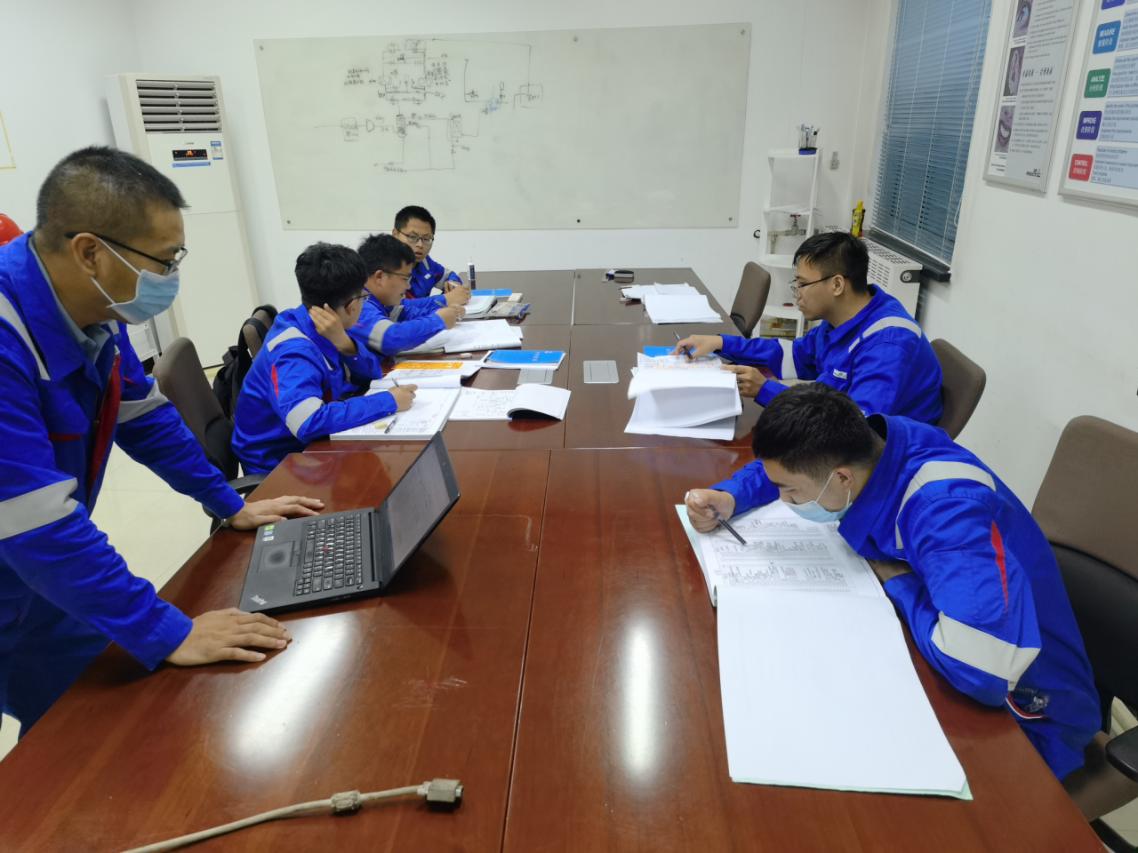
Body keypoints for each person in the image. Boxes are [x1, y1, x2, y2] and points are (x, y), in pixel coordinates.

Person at [0, 146, 323, 734]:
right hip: (26, 548)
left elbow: (142, 416)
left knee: (87, 728)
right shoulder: (7, 333)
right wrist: (164, 630)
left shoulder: (93, 308)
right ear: (91, 252)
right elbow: (34, 518)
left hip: (35, 572)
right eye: (165, 260)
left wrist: (228, 501)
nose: (171, 278)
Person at [687, 384, 1099, 780]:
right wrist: (733, 495)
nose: (785, 500)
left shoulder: (947, 514)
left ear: (843, 479)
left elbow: (982, 669)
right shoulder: (870, 438)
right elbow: (795, 464)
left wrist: (901, 584)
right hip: (953, 644)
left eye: (791, 494)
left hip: (1031, 714)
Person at [679, 231, 944, 511]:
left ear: (837, 284)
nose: (796, 294)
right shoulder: (840, 321)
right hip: (840, 444)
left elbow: (848, 432)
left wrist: (766, 390)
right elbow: (792, 356)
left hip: (884, 473)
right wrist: (722, 342)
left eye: (802, 284)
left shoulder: (888, 345)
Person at [232, 242, 417, 474]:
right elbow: (307, 422)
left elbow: (373, 373)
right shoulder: (293, 352)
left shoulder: (323, 322)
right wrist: (388, 401)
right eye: (363, 297)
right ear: (351, 305)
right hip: (280, 463)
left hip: (313, 445)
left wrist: (346, 345)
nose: (363, 303)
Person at [352, 233, 465, 355]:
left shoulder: (382, 301)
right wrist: (438, 321)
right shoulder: (358, 305)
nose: (408, 286)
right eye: (405, 279)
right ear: (380, 276)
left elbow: (408, 312)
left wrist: (446, 311)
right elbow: (391, 338)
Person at [392, 205, 463, 298]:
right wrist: (444, 300)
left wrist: (453, 284)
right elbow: (400, 305)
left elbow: (449, 276)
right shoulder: (385, 265)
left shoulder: (425, 263)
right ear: (395, 234)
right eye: (412, 237)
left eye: (426, 239)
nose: (420, 245)